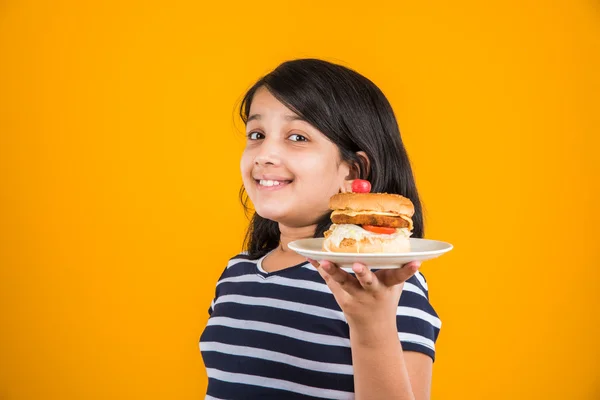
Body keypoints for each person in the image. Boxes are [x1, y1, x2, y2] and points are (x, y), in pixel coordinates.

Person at [199, 58, 441, 400]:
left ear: (353, 171)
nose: (264, 154)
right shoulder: (236, 274)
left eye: (297, 137)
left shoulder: (383, 281)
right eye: (257, 135)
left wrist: (372, 324)